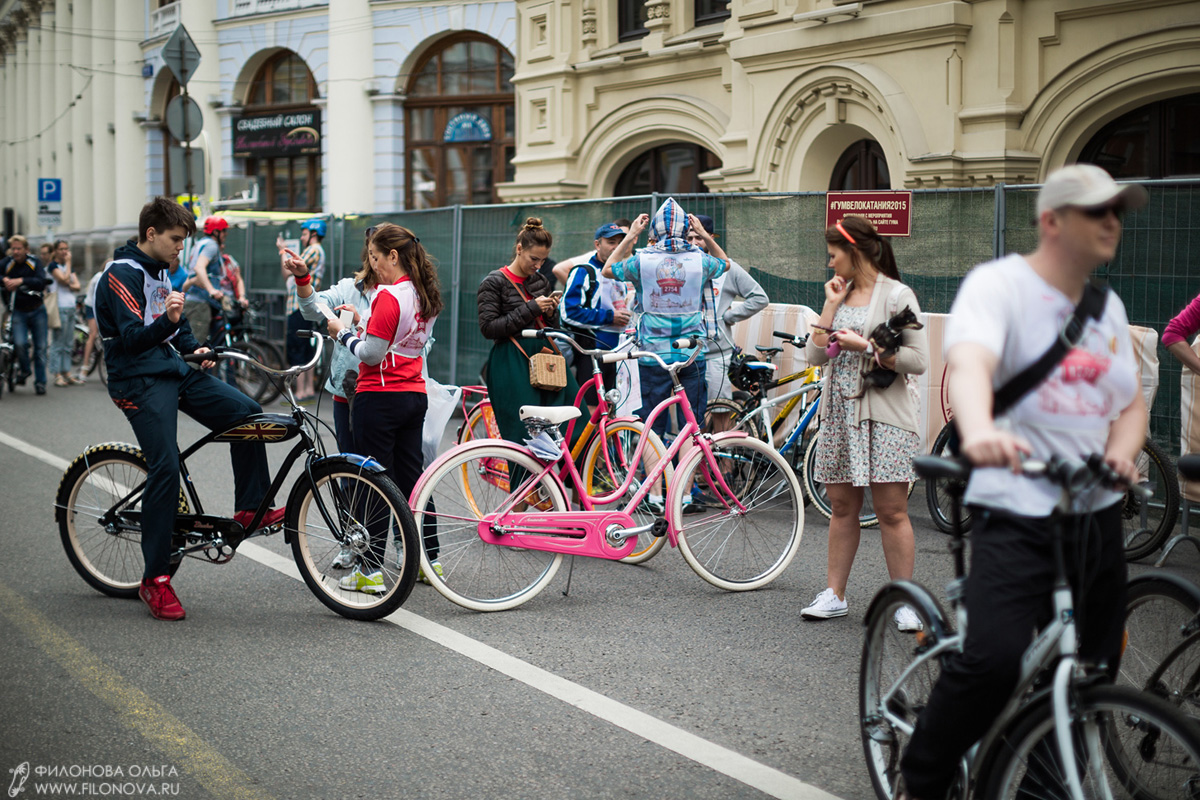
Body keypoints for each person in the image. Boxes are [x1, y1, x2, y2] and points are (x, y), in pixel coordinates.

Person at [897, 164, 1149, 800]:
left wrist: (1121, 454)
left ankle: (1037, 783)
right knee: (994, 659)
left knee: (1090, 673)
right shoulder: (1000, 286)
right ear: (1052, 221)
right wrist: (980, 431)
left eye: (1117, 209)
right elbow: (972, 364)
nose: (1112, 221)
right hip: (1017, 508)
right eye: (1097, 210)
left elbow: (1131, 404)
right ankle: (920, 780)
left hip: (1094, 513)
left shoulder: (1107, 308)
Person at [96, 197, 286, 621]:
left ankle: (250, 505)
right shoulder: (120, 275)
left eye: (184, 241)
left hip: (171, 369)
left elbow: (174, 327)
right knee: (165, 468)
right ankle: (155, 581)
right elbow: (131, 337)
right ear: (151, 234)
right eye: (176, 240)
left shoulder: (161, 271)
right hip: (137, 380)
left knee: (249, 413)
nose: (181, 248)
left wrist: (192, 348)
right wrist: (168, 325)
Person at [290, 223, 442, 594]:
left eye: (375, 256)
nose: (371, 263)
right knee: (411, 477)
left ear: (394, 255)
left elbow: (372, 353)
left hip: (378, 393)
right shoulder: (427, 295)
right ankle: (427, 559)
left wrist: (342, 331)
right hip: (412, 393)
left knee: (372, 480)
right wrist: (362, 323)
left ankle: (370, 569)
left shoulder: (389, 295)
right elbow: (403, 341)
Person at [800, 216, 928, 628]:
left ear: (854, 252)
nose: (830, 263)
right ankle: (834, 594)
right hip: (840, 413)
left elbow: (919, 361)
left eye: (833, 255)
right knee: (841, 506)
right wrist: (830, 306)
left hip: (884, 416)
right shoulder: (839, 293)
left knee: (891, 510)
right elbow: (815, 356)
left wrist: (869, 348)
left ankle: (905, 601)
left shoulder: (896, 295)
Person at [601, 199, 728, 440]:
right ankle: (686, 478)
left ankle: (656, 479)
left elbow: (608, 269)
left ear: (653, 231)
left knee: (651, 427)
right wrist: (703, 235)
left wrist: (631, 236)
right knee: (690, 428)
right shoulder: (700, 260)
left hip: (652, 356)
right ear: (685, 229)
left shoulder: (641, 261)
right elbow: (725, 263)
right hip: (691, 354)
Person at [477, 218, 584, 465]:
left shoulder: (540, 282)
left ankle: (574, 488)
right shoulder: (494, 282)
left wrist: (549, 313)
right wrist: (532, 308)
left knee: (576, 423)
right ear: (519, 249)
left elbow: (548, 328)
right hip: (510, 362)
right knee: (522, 437)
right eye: (533, 259)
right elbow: (489, 328)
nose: (538, 265)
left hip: (545, 361)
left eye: (543, 260)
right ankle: (523, 498)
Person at [688, 214, 769, 404]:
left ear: (711, 238)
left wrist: (729, 316)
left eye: (699, 237)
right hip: (688, 356)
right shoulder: (680, 268)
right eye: (689, 238)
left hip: (718, 354)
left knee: (720, 409)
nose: (694, 242)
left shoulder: (728, 268)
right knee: (692, 414)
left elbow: (760, 297)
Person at [560, 221, 633, 407]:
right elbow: (568, 313)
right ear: (597, 244)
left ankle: (607, 437)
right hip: (593, 351)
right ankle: (592, 438)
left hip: (621, 353)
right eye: (611, 242)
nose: (616, 247)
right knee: (593, 407)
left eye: (620, 242)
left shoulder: (622, 273)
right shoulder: (584, 271)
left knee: (614, 408)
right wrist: (609, 317)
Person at [280, 218, 327, 402]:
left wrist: (282, 250)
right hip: (309, 306)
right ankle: (307, 390)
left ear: (313, 234)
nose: (301, 237)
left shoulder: (313, 250)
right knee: (307, 348)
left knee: (297, 348)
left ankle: (300, 392)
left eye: (305, 233)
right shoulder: (318, 251)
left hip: (299, 306)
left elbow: (288, 269)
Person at [0, 234, 51, 394]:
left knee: (40, 348)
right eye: (13, 249)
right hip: (18, 311)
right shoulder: (6, 263)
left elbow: (41, 281)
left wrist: (22, 281)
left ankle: (41, 382)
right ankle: (24, 370)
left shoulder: (34, 263)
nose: (15, 252)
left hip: (37, 310)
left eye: (19, 249)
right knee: (20, 343)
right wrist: (5, 280)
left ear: (26, 249)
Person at [182, 216, 230, 346]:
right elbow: (199, 267)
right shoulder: (211, 245)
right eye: (224, 230)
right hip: (200, 302)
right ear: (216, 232)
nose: (226, 234)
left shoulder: (200, 244)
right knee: (196, 347)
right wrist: (212, 290)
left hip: (195, 301)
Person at [47, 239, 83, 386]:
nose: (64, 252)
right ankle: (57, 374)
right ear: (55, 251)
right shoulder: (53, 266)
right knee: (58, 342)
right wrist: (68, 266)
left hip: (70, 306)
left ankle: (66, 371)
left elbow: (77, 286)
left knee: (68, 342)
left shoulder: (68, 267)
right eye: (61, 249)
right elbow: (63, 279)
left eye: (66, 249)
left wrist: (68, 280)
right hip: (59, 307)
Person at [76, 266, 105, 384]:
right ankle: (85, 367)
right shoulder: (99, 277)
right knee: (93, 334)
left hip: (101, 306)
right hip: (91, 306)